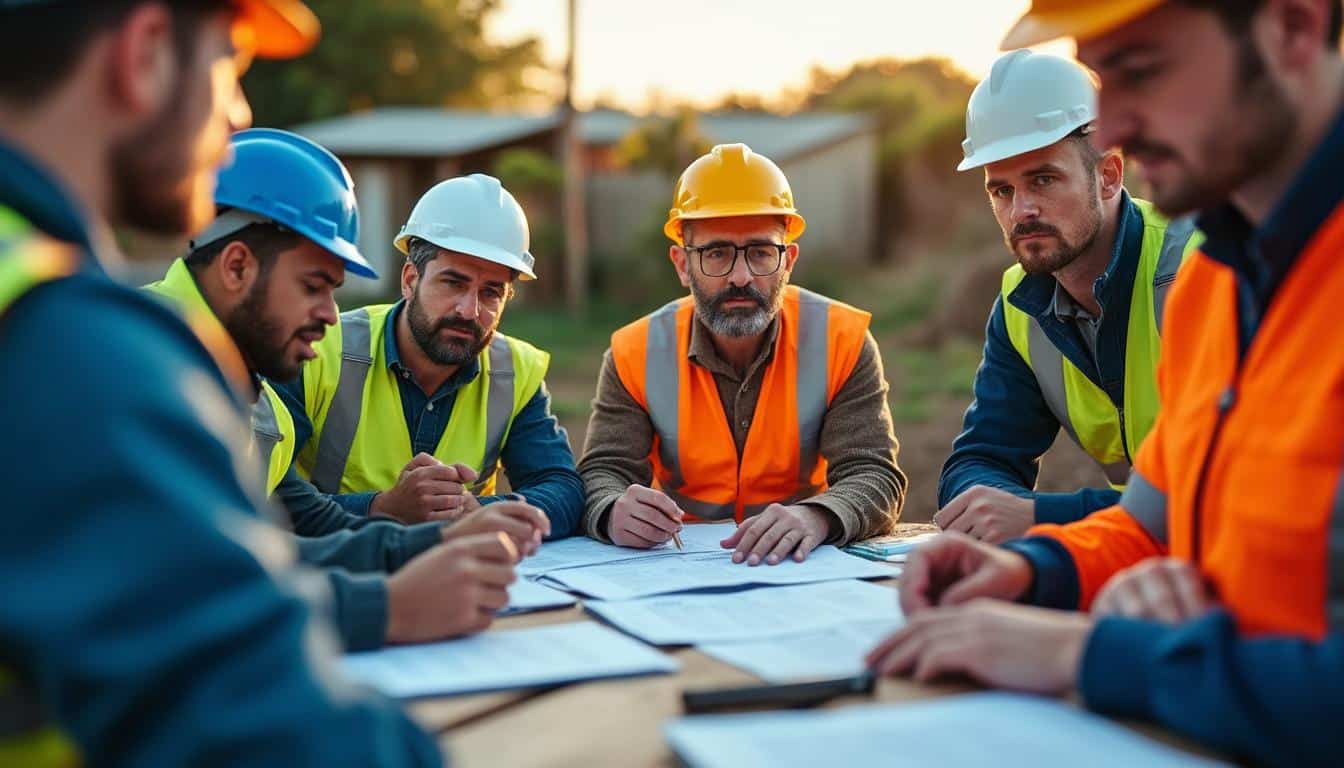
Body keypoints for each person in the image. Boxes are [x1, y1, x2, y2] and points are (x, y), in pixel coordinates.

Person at [867, 1, 1344, 764]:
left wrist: (1086, 654)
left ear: (1292, 27)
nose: (1113, 126)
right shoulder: (1219, 282)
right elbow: (1160, 524)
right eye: (1100, 76)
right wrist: (1030, 570)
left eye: (1141, 69)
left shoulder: (1186, 270)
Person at [0, 0, 444, 765]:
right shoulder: (71, 346)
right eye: (229, 66)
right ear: (143, 53)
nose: (236, 114)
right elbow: (270, 729)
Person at [146, 128, 547, 651]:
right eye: (313, 287)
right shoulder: (142, 363)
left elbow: (288, 539)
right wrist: (390, 608)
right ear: (237, 266)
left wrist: (438, 540)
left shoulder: (257, 405)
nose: (329, 316)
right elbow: (184, 589)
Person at [579, 143, 906, 565]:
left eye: (760, 252)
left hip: (803, 565)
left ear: (788, 260)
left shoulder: (842, 339)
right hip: (676, 571)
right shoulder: (634, 351)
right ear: (682, 264)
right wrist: (610, 508)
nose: (740, 276)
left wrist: (817, 517)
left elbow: (875, 473)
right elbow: (602, 471)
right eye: (716, 253)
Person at [937, 49, 1201, 544]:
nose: (1021, 211)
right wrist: (986, 505)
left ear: (1108, 175)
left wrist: (1043, 516)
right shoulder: (1020, 305)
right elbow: (981, 459)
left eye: (1043, 179)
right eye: (1002, 191)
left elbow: (1228, 492)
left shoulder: (1196, 269)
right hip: (1135, 556)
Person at [275, 173, 583, 538]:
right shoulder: (317, 348)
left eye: (490, 293)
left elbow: (563, 490)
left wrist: (479, 511)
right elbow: (264, 489)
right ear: (409, 279)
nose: (469, 311)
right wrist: (380, 508)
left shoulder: (514, 371)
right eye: (453, 283)